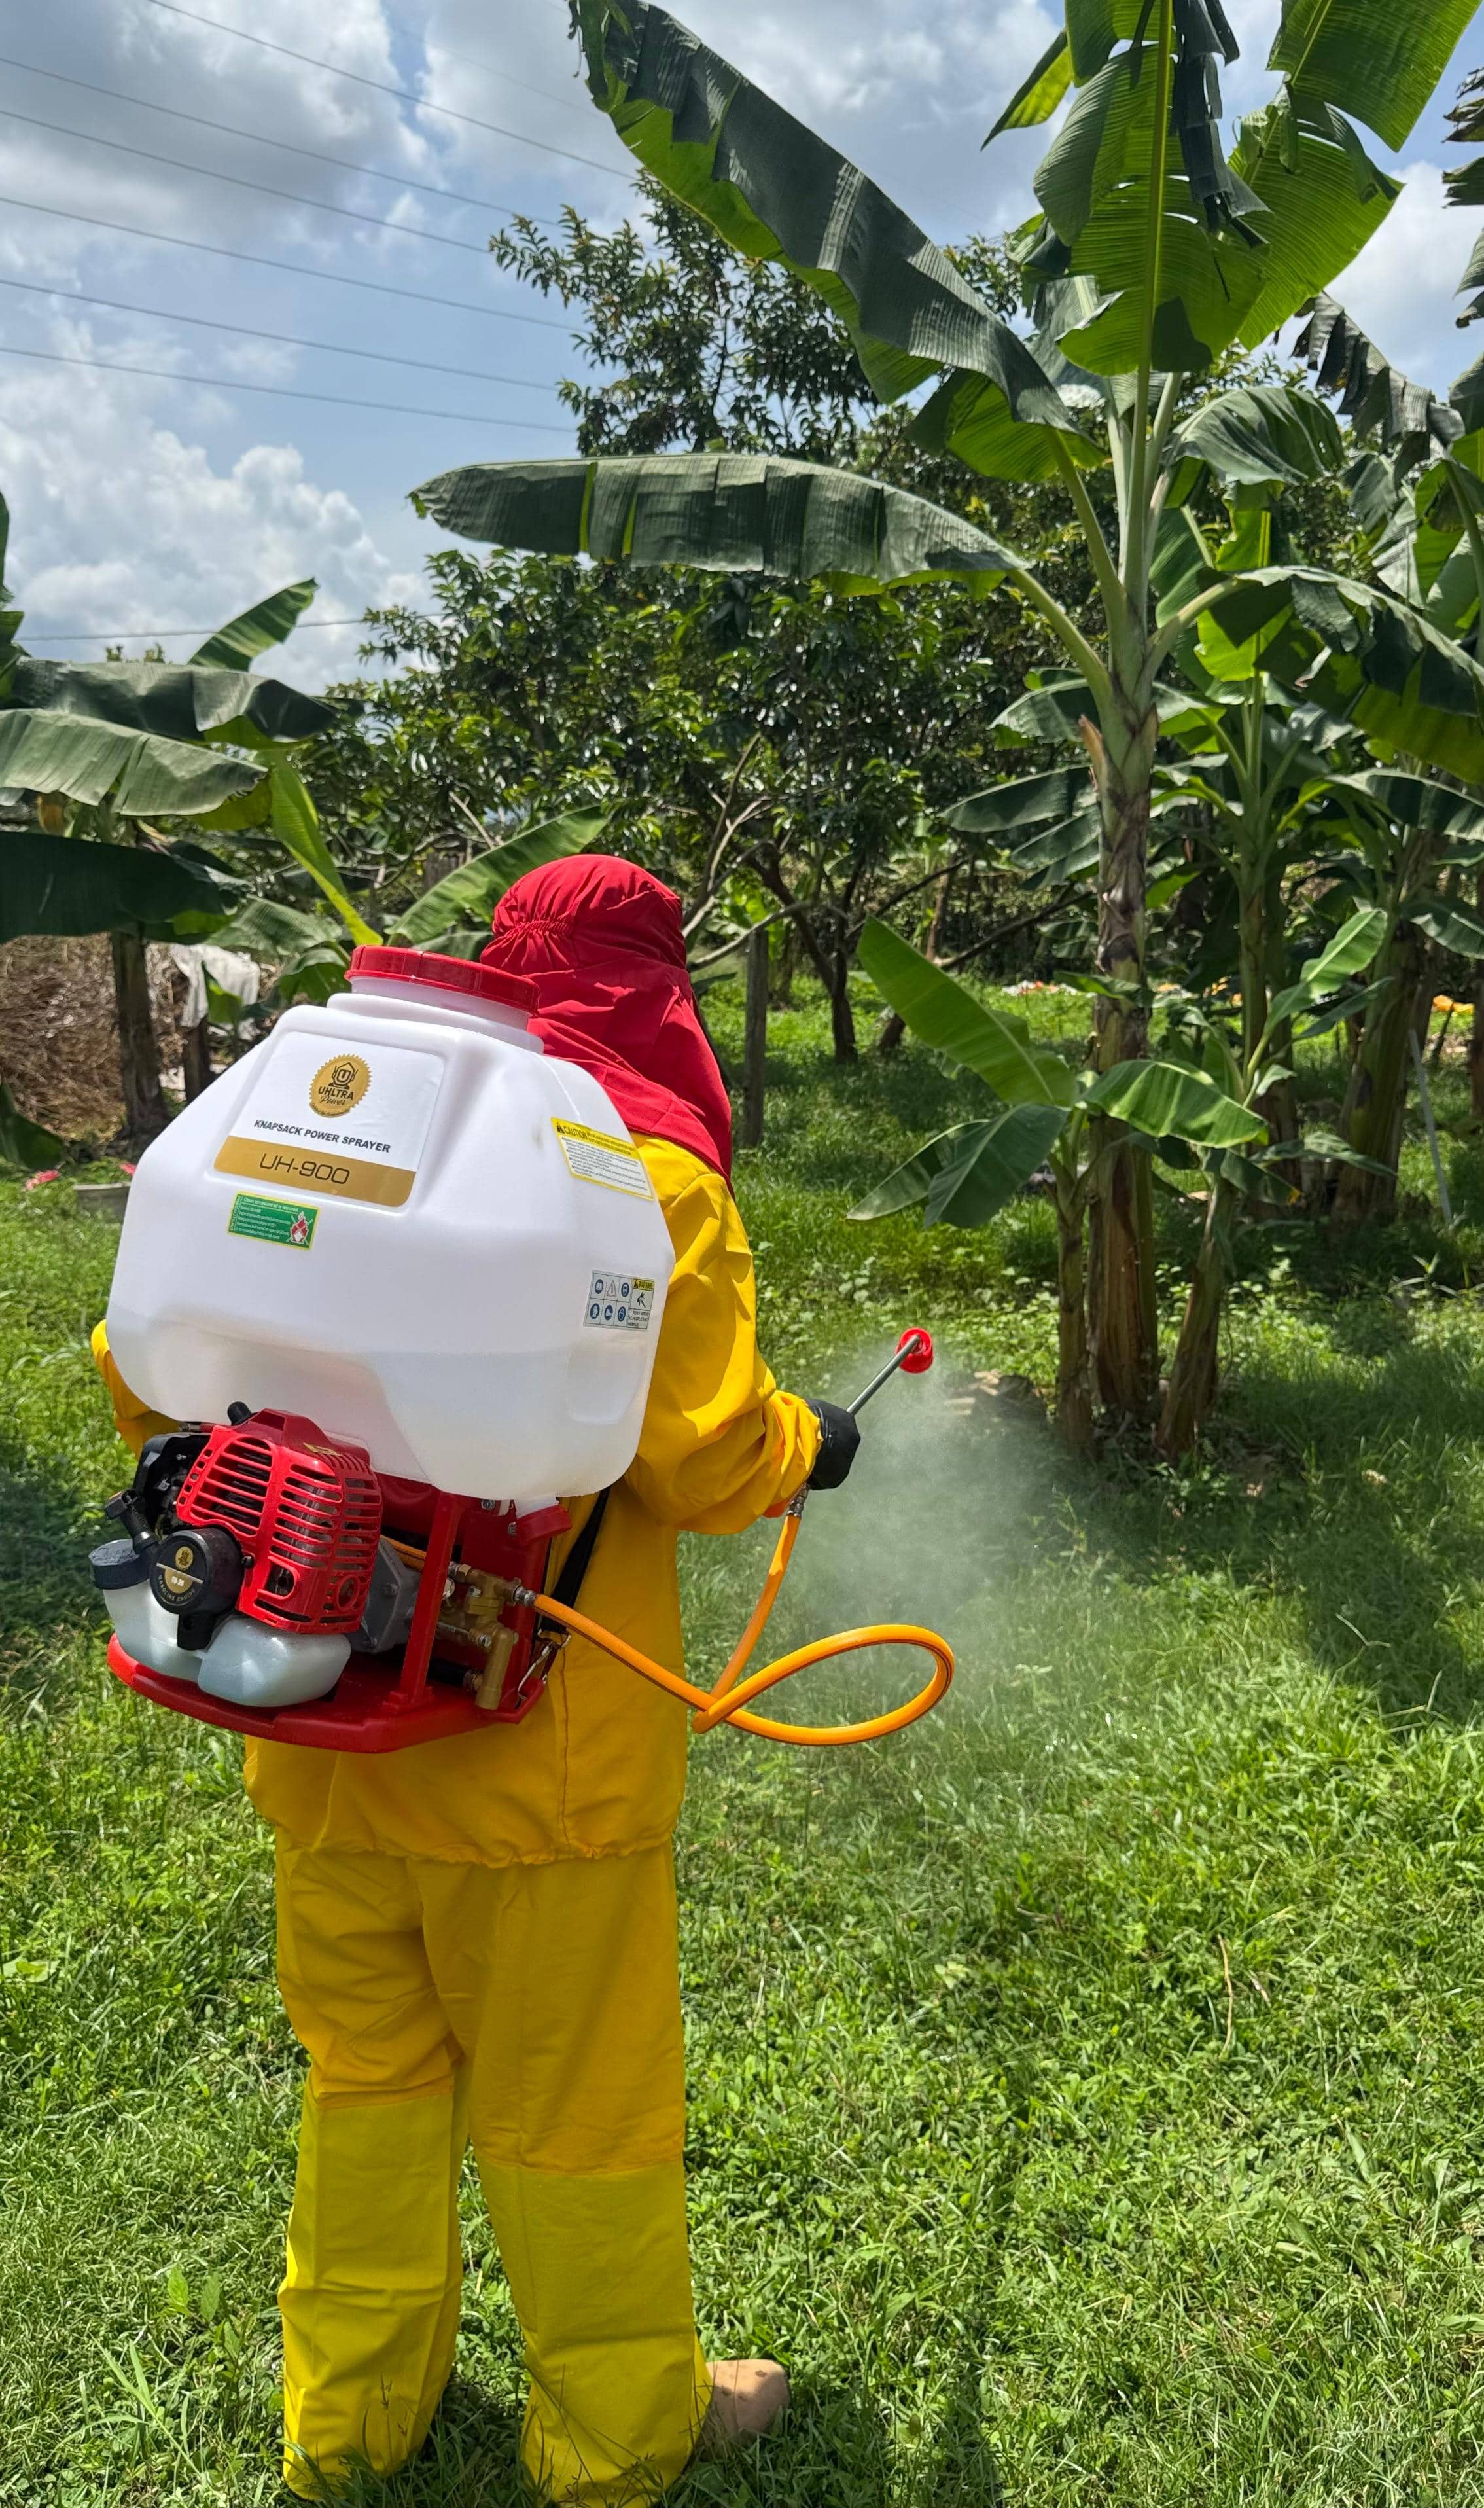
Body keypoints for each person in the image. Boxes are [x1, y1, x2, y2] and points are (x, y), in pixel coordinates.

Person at [93, 853, 861, 2503]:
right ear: (656, 998)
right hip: (540, 1757)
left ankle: (351, 2420)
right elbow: (710, 1456)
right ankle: (616, 2438)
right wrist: (815, 1440)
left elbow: (146, 1371)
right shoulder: (639, 1176)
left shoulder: (310, 1134)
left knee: (368, 2073)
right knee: (572, 2109)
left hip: (313, 1709)